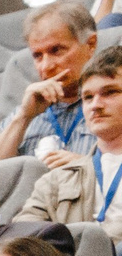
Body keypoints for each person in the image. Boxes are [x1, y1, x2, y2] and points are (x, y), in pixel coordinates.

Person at [16, 43, 122, 240]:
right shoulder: (56, 179)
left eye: (110, 92)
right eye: (88, 97)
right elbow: (23, 240)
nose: (95, 105)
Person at [0, 0, 99, 163]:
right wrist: (24, 118)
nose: (46, 66)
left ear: (90, 45)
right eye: (37, 56)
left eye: (56, 50)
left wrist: (86, 168)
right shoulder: (24, 114)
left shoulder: (112, 103)